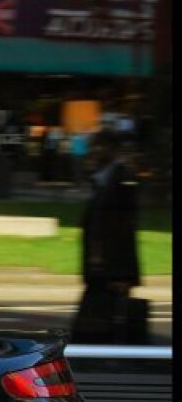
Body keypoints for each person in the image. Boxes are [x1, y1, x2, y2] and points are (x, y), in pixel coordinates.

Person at [72, 137, 143, 344]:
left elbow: (123, 230)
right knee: (96, 326)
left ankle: (107, 363)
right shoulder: (104, 180)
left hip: (110, 272)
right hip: (100, 271)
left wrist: (122, 274)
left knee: (99, 327)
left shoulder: (121, 179)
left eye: (96, 148)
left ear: (109, 152)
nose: (90, 154)